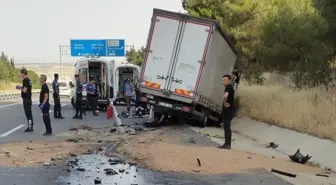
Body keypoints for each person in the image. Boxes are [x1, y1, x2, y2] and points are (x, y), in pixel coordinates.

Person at [219, 74, 235, 149]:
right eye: (222, 80)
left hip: (229, 111)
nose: (223, 81)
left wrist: (225, 103)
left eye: (224, 80)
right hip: (228, 111)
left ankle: (227, 144)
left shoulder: (229, 87)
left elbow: (225, 96)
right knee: (226, 127)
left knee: (227, 127)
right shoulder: (228, 87)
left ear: (229, 80)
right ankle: (227, 144)